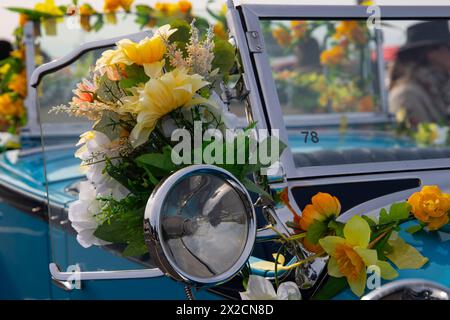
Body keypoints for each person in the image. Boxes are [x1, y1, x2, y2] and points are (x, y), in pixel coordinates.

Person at [389, 20, 450, 126]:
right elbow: (416, 140)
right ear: (431, 52)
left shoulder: (438, 89)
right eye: (448, 48)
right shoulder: (407, 96)